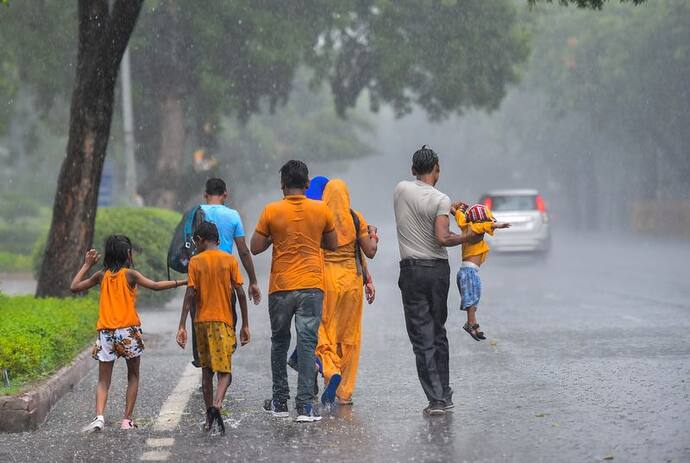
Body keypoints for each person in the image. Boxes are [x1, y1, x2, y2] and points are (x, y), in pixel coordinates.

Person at [393, 145, 480, 416]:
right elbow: (443, 238)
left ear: (412, 170)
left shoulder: (400, 190)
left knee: (422, 336)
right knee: (438, 331)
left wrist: (447, 208)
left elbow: (421, 209)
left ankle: (437, 400)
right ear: (437, 169)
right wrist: (468, 236)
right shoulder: (441, 199)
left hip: (412, 271)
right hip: (437, 271)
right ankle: (445, 391)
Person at [251, 160, 337, 423]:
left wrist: (276, 235)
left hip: (281, 288)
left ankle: (279, 401)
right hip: (311, 286)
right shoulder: (322, 209)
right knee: (308, 343)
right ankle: (305, 407)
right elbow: (332, 244)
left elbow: (255, 247)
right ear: (308, 184)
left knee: (279, 342)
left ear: (282, 186)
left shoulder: (271, 210)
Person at [70, 235, 185, 432]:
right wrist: (183, 282)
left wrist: (87, 264)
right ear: (128, 254)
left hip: (106, 333)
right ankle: (127, 420)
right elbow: (156, 286)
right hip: (128, 332)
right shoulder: (130, 274)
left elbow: (74, 287)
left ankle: (99, 417)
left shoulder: (101, 275)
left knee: (103, 380)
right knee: (133, 376)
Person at [176, 221, 250, 436]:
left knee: (206, 371)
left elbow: (190, 295)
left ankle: (209, 417)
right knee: (225, 372)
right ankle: (217, 404)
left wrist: (182, 325)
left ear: (200, 240)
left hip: (201, 322)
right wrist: (245, 324)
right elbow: (241, 294)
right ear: (217, 239)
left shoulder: (195, 262)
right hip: (223, 322)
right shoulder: (229, 260)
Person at [316, 179, 378, 407]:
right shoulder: (355, 217)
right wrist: (373, 234)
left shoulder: (320, 215)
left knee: (323, 330)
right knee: (349, 336)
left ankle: (331, 371)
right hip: (352, 282)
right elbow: (367, 252)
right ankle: (345, 393)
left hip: (326, 281)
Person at [453, 203, 510, 341]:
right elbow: (485, 226)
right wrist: (499, 225)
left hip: (468, 272)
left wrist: (456, 210)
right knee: (471, 299)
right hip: (469, 272)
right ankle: (471, 324)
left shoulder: (466, 225)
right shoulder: (475, 227)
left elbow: (460, 217)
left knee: (473, 298)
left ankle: (472, 322)